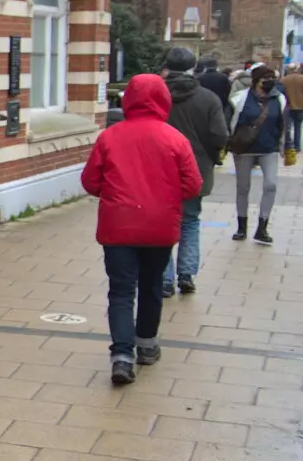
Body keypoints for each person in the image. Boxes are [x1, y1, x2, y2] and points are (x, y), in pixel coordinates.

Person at [80, 74, 201, 386]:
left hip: (118, 225)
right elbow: (192, 185)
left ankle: (122, 355)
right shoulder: (175, 139)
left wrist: (114, 192)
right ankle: (146, 345)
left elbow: (91, 181)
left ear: (128, 99)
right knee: (151, 286)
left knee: (121, 290)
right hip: (160, 226)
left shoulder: (110, 137)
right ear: (163, 100)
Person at [159, 46, 228, 297]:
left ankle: (165, 278)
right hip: (196, 168)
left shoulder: (158, 96)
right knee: (189, 221)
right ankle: (186, 273)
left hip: (161, 169)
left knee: (164, 223)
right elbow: (220, 134)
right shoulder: (208, 98)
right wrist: (211, 154)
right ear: (193, 67)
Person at [229, 63, 287, 245]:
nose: (269, 82)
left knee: (271, 185)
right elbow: (230, 121)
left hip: (269, 148)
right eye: (265, 79)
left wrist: (287, 145)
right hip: (245, 149)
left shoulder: (279, 99)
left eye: (272, 78)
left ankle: (262, 226)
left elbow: (283, 123)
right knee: (243, 187)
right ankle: (241, 226)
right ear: (256, 81)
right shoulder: (240, 99)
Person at [195, 56, 233, 127]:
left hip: (205, 104)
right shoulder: (223, 77)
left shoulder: (201, 78)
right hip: (221, 103)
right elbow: (228, 90)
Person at [280, 63, 303, 164]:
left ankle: (288, 146)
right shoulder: (301, 78)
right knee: (298, 127)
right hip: (300, 106)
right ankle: (297, 146)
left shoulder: (283, 80)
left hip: (287, 105)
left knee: (287, 127)